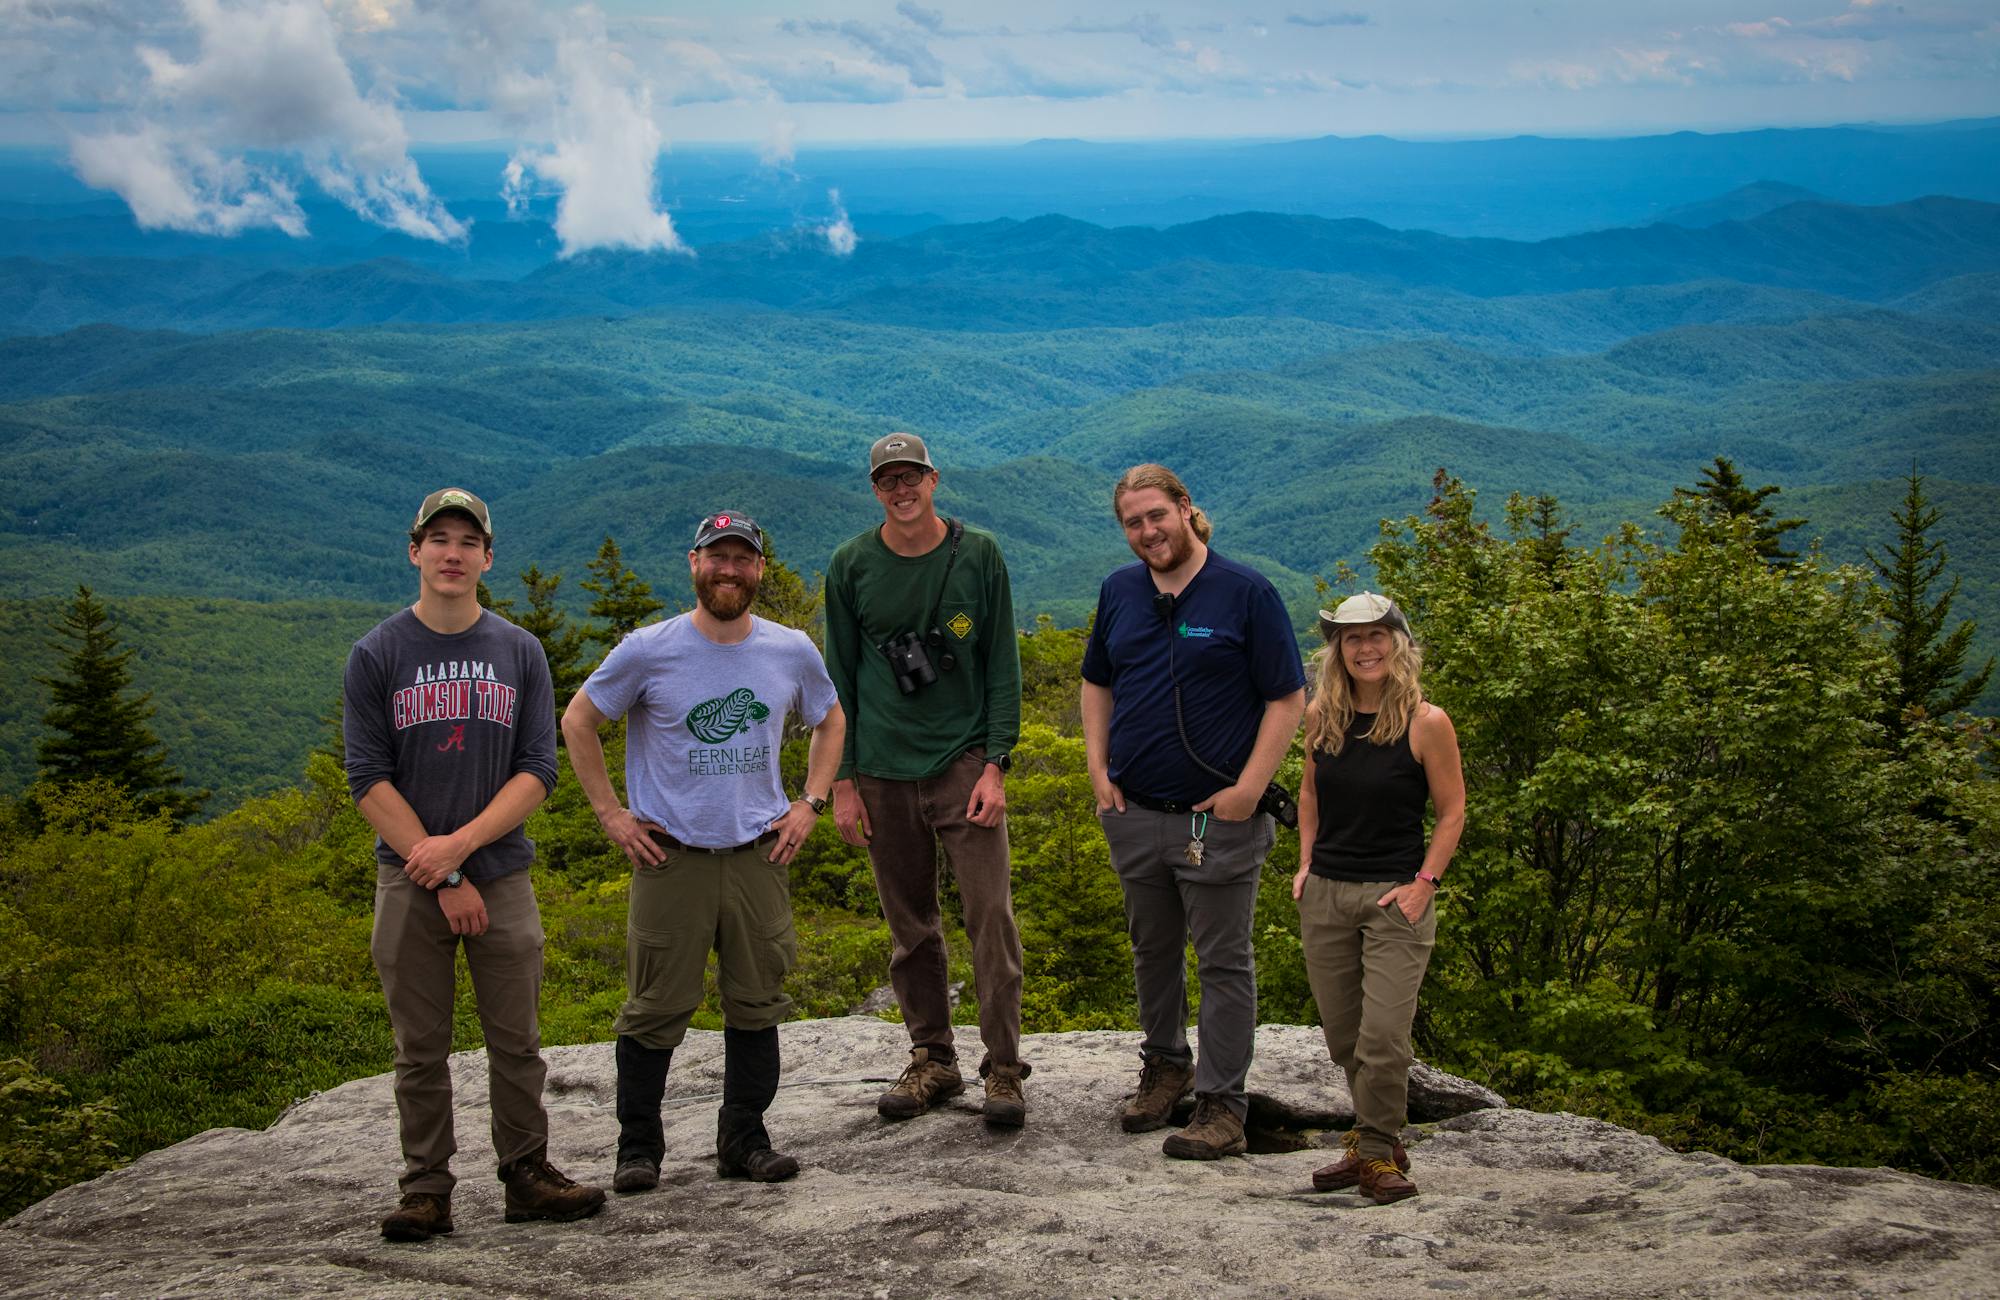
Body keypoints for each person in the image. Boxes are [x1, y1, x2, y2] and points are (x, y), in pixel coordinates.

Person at [343, 487, 605, 1243]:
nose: (452, 554)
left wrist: (462, 851)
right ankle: (425, 1188)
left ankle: (526, 1172)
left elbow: (537, 769)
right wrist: (443, 872)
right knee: (418, 1047)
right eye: (438, 540)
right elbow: (368, 778)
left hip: (501, 873)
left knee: (515, 1040)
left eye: (467, 542)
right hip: (409, 881)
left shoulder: (519, 651)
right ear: (414, 551)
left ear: (488, 558)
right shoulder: (378, 653)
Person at [562, 512, 845, 1191]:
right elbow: (578, 719)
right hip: (671, 856)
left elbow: (831, 717)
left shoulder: (790, 649)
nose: (728, 570)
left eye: (741, 559)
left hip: (759, 854)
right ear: (693, 564)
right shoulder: (647, 648)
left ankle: (743, 1139)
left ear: (759, 570)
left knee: (757, 1001)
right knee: (655, 1005)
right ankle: (638, 1149)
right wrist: (611, 815)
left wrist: (810, 802)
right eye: (716, 558)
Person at [1081, 464, 1306, 1159]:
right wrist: (1097, 769)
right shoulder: (1120, 591)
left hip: (1220, 819)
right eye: (1133, 522)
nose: (1147, 532)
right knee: (1152, 951)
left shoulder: (1246, 592)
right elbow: (1096, 683)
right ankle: (1165, 1065)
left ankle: (1222, 1104)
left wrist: (1248, 789)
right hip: (1136, 810)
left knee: (1223, 962)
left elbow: (1287, 697)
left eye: (1157, 515)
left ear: (1185, 509)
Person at [823, 432, 1031, 1126]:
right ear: (875, 489)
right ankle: (933, 1060)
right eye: (888, 481)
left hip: (964, 763)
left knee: (989, 919)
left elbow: (1002, 663)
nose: (901, 490)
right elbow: (840, 679)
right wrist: (843, 781)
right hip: (880, 769)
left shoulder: (979, 556)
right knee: (909, 928)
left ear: (934, 480)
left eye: (911, 477)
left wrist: (997, 763)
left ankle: (1004, 1068)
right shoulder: (851, 564)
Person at [1292, 592, 1465, 1204]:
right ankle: (1380, 1145)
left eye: (1377, 635)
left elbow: (1451, 813)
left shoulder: (1426, 722)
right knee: (1344, 1037)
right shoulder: (1322, 716)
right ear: (1336, 649)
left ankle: (1371, 1154)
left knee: (1384, 1037)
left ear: (1398, 641)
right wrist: (1307, 863)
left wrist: (1424, 886)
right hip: (1327, 894)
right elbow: (1309, 795)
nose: (1365, 648)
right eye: (1351, 638)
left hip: (1396, 898)